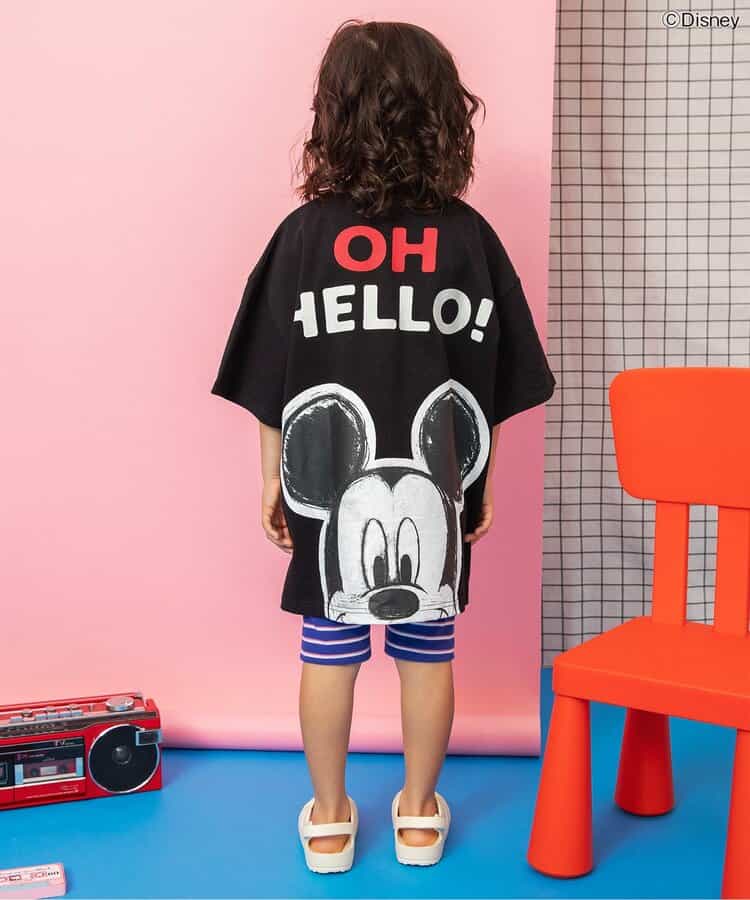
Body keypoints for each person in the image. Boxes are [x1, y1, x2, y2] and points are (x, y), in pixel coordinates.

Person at [211, 19, 556, 873]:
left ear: (334, 116)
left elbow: (272, 372)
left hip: (331, 490)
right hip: (435, 493)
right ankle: (418, 815)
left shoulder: (303, 237)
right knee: (428, 653)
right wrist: (478, 485)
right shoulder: (467, 238)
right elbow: (486, 382)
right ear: (444, 117)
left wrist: (272, 479)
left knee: (327, 648)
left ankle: (330, 820)